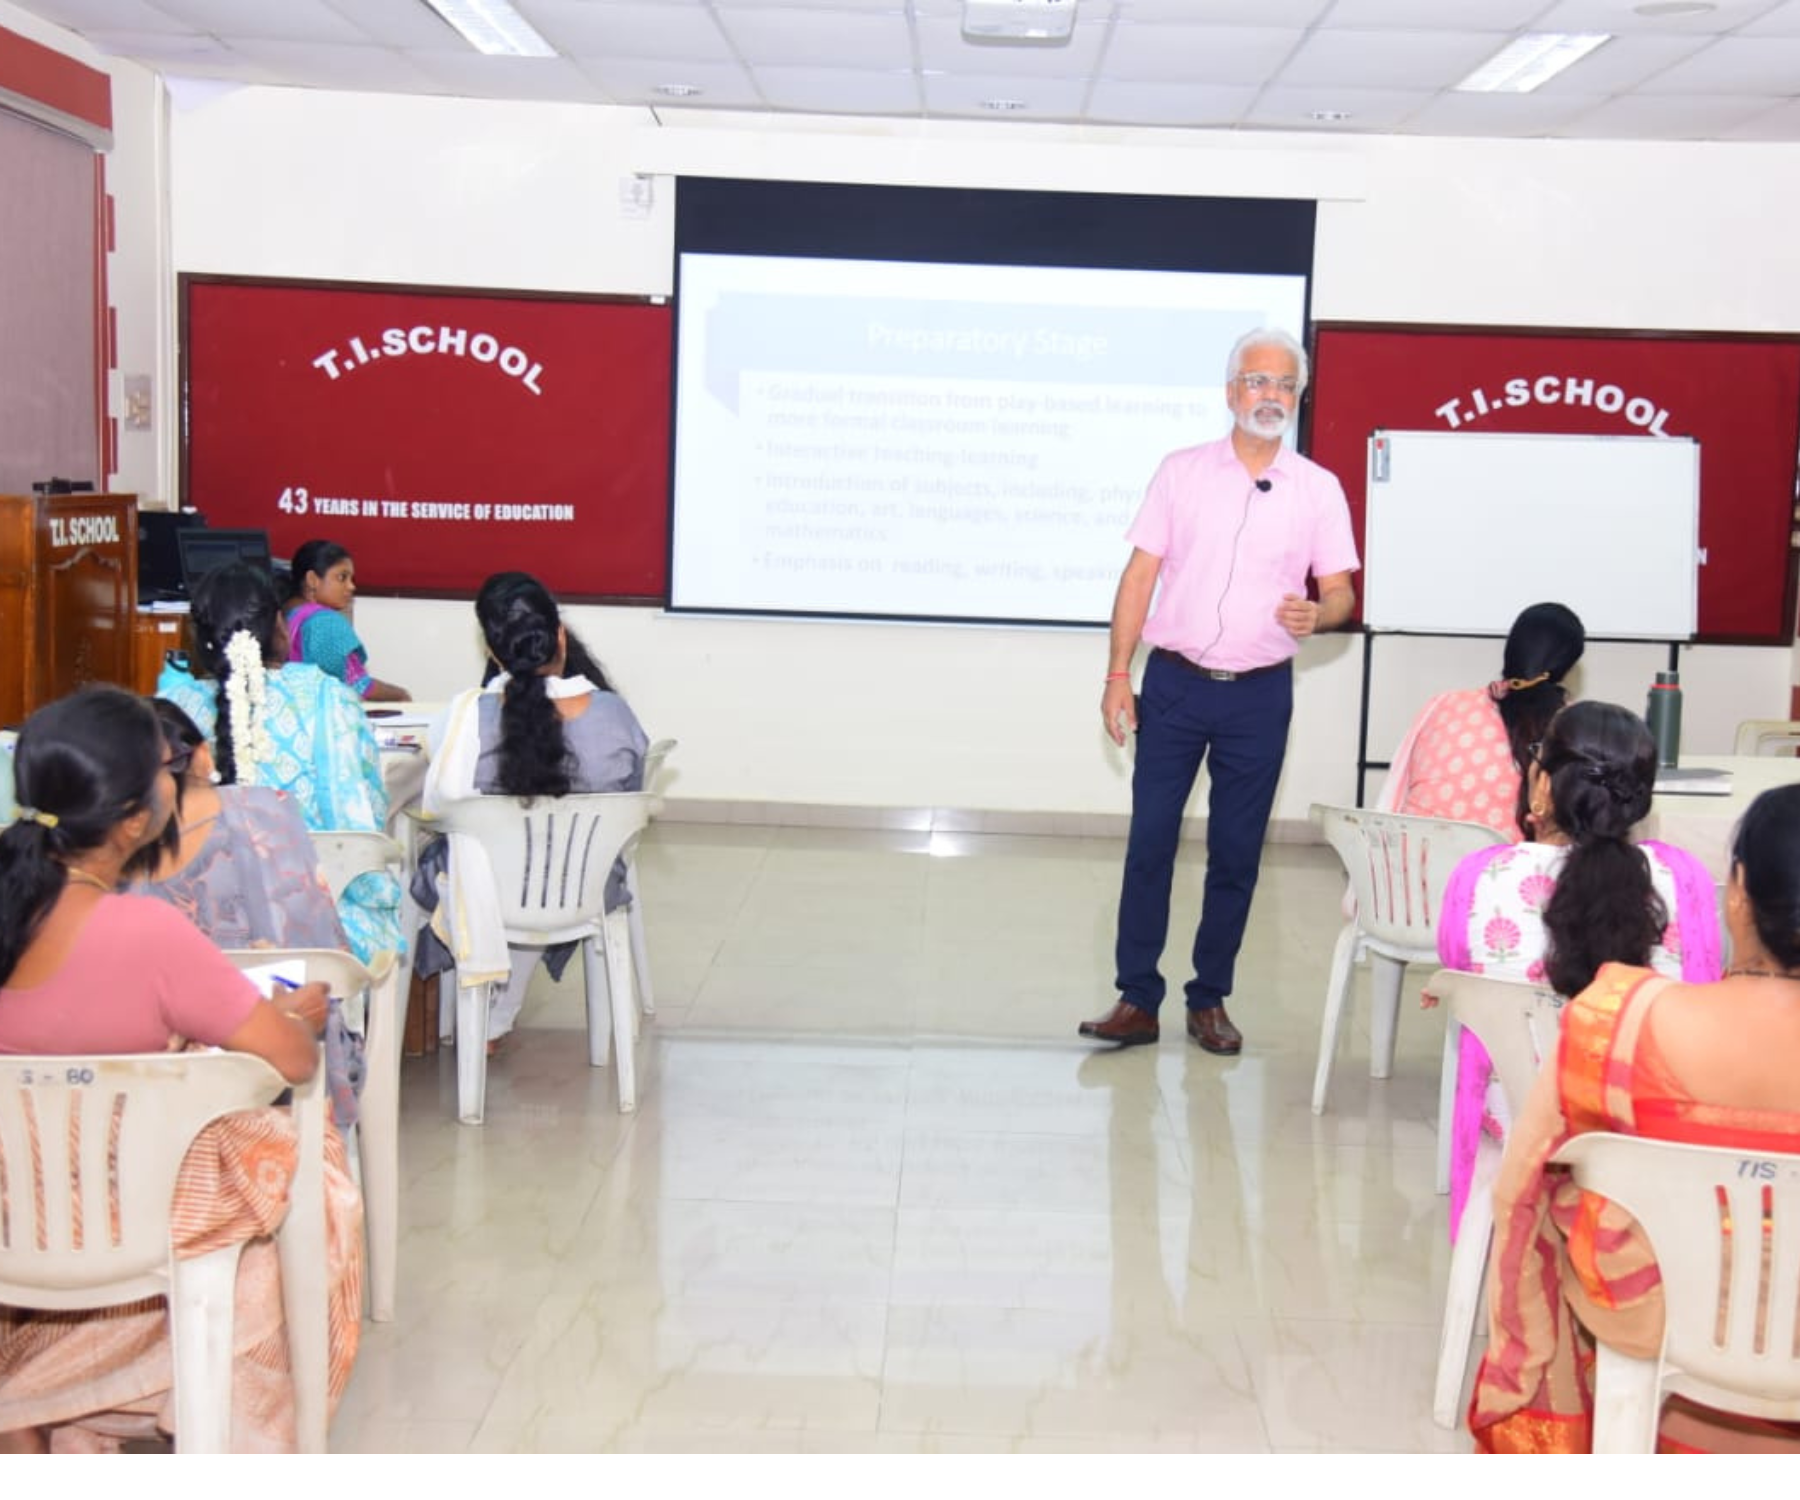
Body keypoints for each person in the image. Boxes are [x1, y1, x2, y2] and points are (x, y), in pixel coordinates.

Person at [0, 687, 361, 1454]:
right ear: (134, 820)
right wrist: (286, 1019)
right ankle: (110, 1398)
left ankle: (41, 1397)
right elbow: (295, 1061)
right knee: (305, 1168)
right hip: (121, 1220)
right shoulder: (146, 932)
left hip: (12, 1212)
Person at [1470, 783, 1800, 1454]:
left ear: (1738, 893)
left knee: (1562, 1198)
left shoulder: (1616, 1020)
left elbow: (1520, 1187)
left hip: (1659, 1314)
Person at [1080, 327, 1359, 1055]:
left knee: (1236, 854)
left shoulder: (1318, 489)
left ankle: (1209, 999)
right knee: (1150, 842)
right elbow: (1139, 577)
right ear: (1231, 391)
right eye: (1258, 381)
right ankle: (1137, 998)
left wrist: (1320, 612)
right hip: (1174, 686)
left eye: (1285, 385)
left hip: (1258, 698)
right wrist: (1118, 674)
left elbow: (1340, 594)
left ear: (1298, 398)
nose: (1271, 395)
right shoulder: (1181, 472)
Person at [1434, 700, 1721, 1239]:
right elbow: (1704, 992)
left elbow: (1457, 965)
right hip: (1644, 1132)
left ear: (1543, 785)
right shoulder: (1682, 878)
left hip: (1520, 1121)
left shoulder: (1480, 878)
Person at [417, 572, 648, 1048]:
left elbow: (438, 809)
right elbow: (633, 794)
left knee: (431, 862)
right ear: (560, 636)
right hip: (584, 885)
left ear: (494, 652)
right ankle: (494, 1013)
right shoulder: (615, 716)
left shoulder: (465, 718)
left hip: (491, 891)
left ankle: (450, 1013)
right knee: (532, 862)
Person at [133, 698, 365, 1131]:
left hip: (142, 1071)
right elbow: (317, 950)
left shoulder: (105, 843)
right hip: (267, 1057)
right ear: (203, 756)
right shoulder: (262, 810)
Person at [157, 561, 401, 965]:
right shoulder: (327, 698)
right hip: (316, 930)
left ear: (200, 639)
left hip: (191, 930)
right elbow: (362, 816)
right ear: (278, 626)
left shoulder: (173, 709)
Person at [1380, 601, 1585, 840]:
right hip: (1503, 864)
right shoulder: (1573, 727)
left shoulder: (1444, 704)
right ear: (1565, 666)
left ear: (1511, 649)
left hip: (1414, 858)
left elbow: (1394, 796)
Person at [282, 539, 410, 703]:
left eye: (351, 579)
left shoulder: (285, 614)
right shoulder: (325, 621)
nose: (351, 586)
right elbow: (359, 685)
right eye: (342, 577)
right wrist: (401, 695)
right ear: (313, 580)